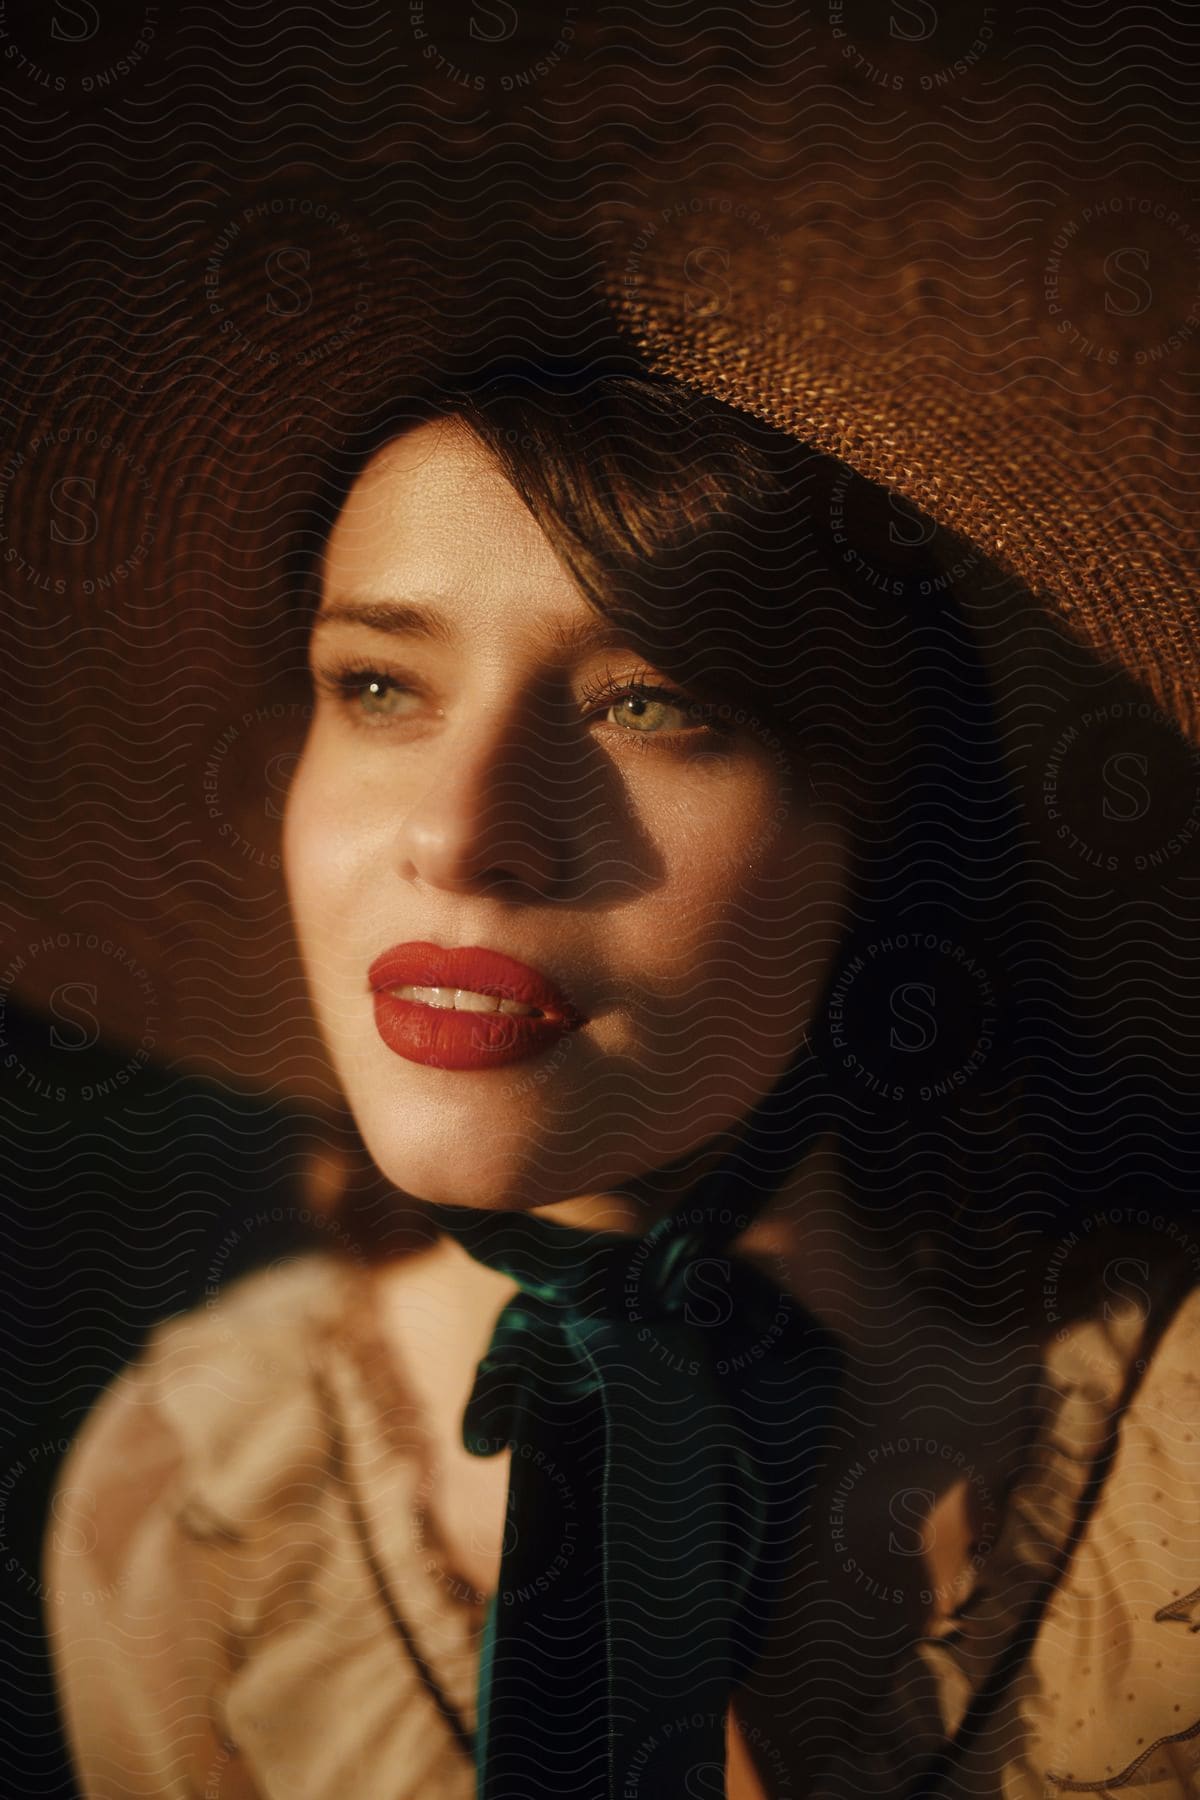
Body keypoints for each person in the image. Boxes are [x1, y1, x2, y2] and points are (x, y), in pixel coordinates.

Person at [40, 364, 1200, 1799]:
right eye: (379, 684)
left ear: (898, 828)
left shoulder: (1176, 1459)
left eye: (651, 702)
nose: (463, 835)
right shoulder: (193, 1492)